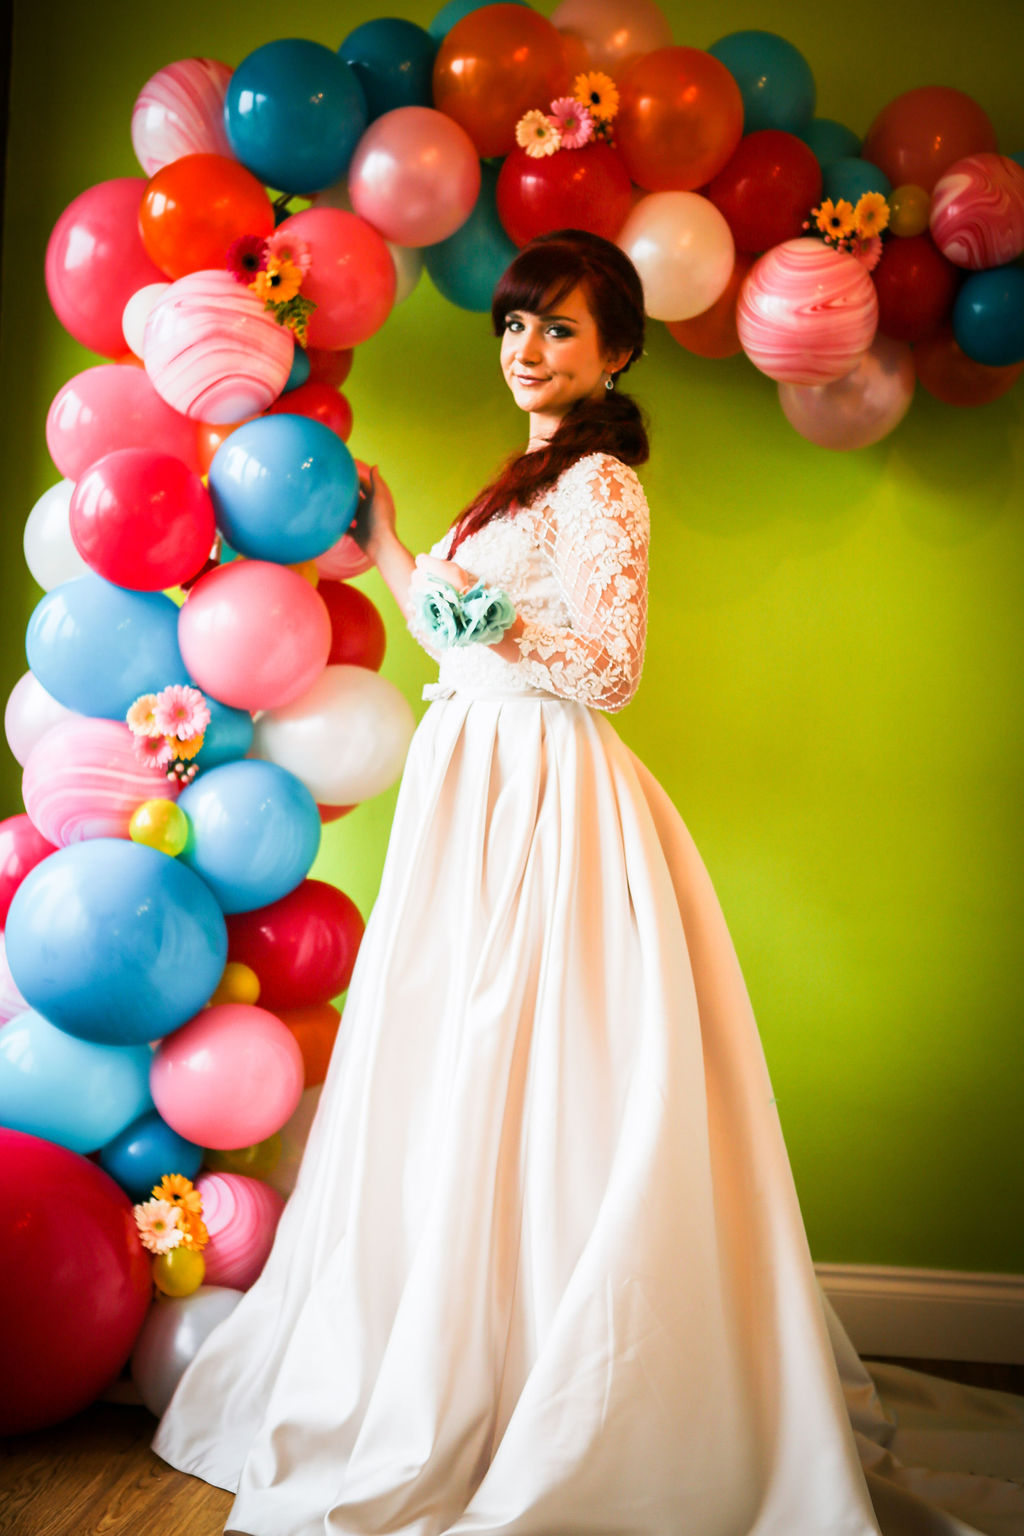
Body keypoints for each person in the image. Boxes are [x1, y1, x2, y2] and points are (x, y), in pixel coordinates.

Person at [152, 232, 1024, 1536]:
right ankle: (460, 1350)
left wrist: (488, 622)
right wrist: (393, 543)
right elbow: (457, 625)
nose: (527, 349)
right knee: (458, 1065)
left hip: (543, 793)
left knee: (538, 1061)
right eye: (515, 325)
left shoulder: (603, 485)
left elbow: (605, 668)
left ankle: (551, 1375)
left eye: (559, 330)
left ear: (615, 352)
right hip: (475, 780)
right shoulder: (521, 484)